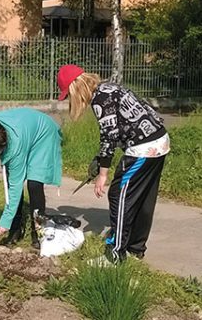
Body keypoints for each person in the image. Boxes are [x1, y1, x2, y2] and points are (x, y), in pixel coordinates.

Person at [57, 64, 170, 262]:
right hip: (159, 140)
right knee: (144, 197)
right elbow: (129, 120)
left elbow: (109, 136)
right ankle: (136, 249)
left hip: (143, 149)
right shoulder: (109, 88)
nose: (70, 100)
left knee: (119, 194)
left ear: (76, 88)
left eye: (68, 95)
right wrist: (100, 159)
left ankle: (114, 256)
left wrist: (103, 175)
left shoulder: (99, 99)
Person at [0, 108, 62, 249]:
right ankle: (16, 229)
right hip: (25, 128)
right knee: (12, 179)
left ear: (4, 146)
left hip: (43, 133)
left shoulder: (15, 147)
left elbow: (15, 188)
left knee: (34, 183)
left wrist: (4, 220)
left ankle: (38, 232)